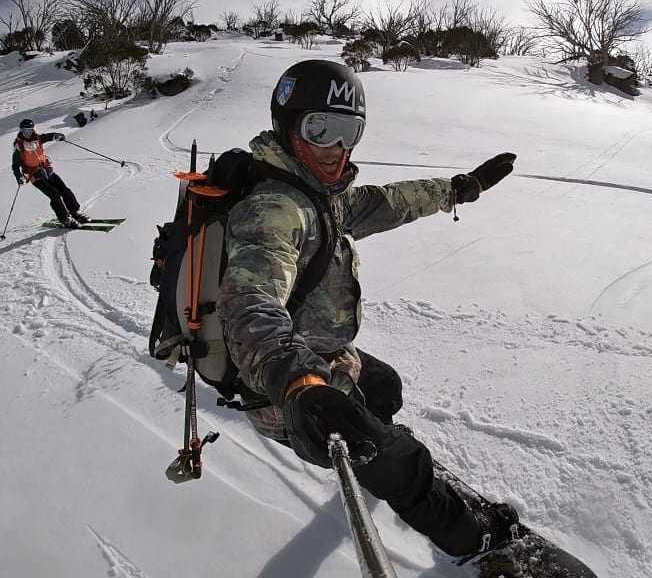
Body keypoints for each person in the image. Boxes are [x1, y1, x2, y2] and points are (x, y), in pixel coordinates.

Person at [216, 60, 518, 562]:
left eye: (349, 131)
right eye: (321, 129)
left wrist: (459, 189)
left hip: (328, 354)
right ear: (288, 129)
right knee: (403, 462)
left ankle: (370, 447)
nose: (337, 149)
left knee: (384, 387)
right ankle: (474, 542)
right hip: (290, 390)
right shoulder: (276, 209)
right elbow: (249, 302)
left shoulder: (319, 196)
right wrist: (296, 384)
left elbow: (389, 201)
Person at [11, 118, 90, 228]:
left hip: (47, 170)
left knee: (65, 190)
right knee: (54, 195)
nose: (27, 133)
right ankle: (65, 219)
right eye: (25, 131)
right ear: (21, 131)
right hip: (35, 175)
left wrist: (56, 136)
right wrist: (19, 176)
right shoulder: (19, 146)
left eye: (29, 130)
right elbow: (15, 166)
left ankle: (75, 212)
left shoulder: (37, 138)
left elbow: (47, 136)